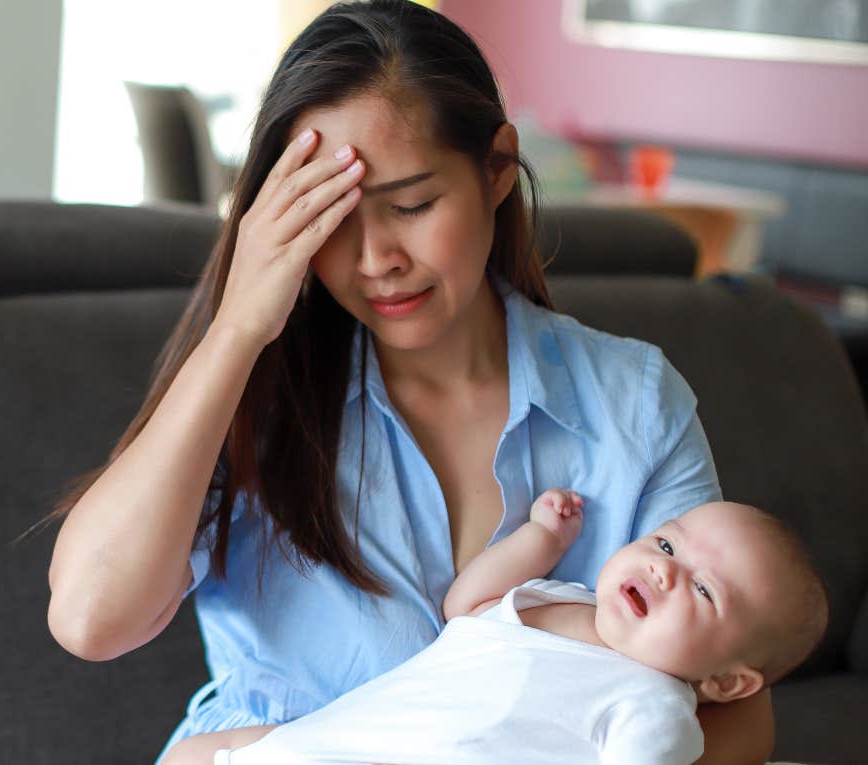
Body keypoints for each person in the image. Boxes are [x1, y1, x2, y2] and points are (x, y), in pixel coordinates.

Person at [45, 1, 775, 762]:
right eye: (331, 217)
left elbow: (740, 714)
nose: (375, 258)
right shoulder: (258, 394)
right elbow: (92, 619)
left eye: (414, 205)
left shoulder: (634, 402)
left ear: (497, 171)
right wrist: (234, 331)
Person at [161, 492, 828, 765]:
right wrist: (541, 537)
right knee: (197, 753)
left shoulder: (654, 704)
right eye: (666, 544)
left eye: (704, 589)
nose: (663, 572)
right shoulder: (553, 595)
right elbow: (467, 605)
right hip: (337, 739)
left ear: (727, 680)